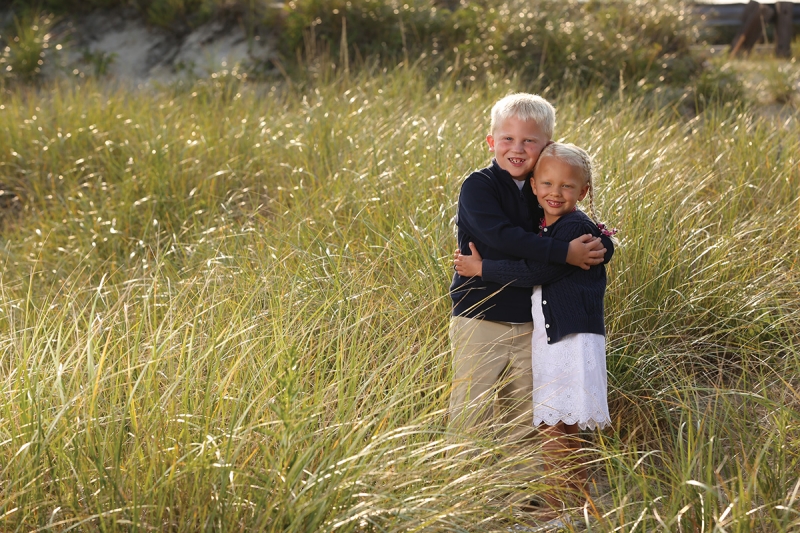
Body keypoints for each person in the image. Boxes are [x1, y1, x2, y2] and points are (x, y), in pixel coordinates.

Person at [448, 93, 614, 512]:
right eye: (507, 139)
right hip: (479, 313)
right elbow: (503, 238)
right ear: (490, 141)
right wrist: (565, 255)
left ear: (547, 145)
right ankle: (462, 490)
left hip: (530, 320)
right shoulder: (479, 187)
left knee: (525, 408)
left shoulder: (544, 188)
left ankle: (521, 492)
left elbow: (580, 228)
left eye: (529, 141)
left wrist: (597, 248)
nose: (517, 149)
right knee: (473, 403)